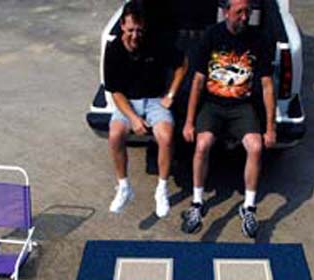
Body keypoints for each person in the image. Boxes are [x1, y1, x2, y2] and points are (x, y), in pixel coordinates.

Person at [181, 0, 276, 238]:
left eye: (248, 12)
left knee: (255, 147)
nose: (244, 17)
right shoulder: (211, 36)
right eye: (239, 12)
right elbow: (198, 81)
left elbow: (267, 85)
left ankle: (249, 208)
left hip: (242, 106)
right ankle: (197, 204)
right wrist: (189, 121)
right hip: (213, 104)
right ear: (226, 13)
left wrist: (271, 128)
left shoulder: (259, 40)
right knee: (202, 145)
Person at [104, 1, 188, 217]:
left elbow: (183, 64)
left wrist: (171, 95)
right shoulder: (113, 49)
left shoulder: (155, 43)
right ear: (122, 25)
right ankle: (124, 187)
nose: (135, 36)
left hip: (154, 100)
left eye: (139, 30)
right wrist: (132, 119)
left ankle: (161, 189)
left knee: (166, 137)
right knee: (114, 136)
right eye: (130, 30)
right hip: (127, 102)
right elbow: (115, 92)